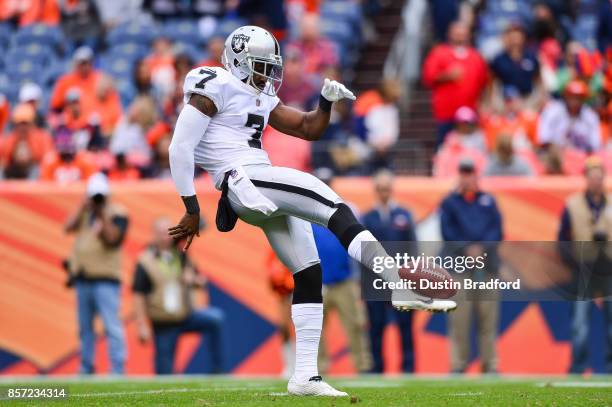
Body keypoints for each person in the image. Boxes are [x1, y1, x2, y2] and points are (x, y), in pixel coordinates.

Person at [166, 25, 456, 397]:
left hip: (257, 184)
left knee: (308, 271)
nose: (267, 74)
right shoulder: (214, 84)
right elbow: (179, 147)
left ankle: (304, 376)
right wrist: (190, 207)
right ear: (237, 60)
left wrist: (325, 103)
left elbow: (306, 128)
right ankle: (397, 283)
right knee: (333, 204)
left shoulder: (259, 93)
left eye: (271, 66)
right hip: (244, 179)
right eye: (259, 65)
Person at [133, 217, 226, 374]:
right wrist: (141, 325)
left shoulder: (181, 255)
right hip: (163, 321)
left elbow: (201, 281)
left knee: (215, 319)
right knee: (165, 372)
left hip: (185, 315)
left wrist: (194, 280)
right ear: (154, 235)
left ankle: (218, 372)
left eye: (170, 232)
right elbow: (139, 295)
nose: (167, 236)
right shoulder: (145, 260)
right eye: (163, 233)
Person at [440, 159, 503, 373]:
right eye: (463, 172)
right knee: (459, 320)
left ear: (476, 176)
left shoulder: (488, 201)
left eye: (470, 172)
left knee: (488, 320)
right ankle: (459, 364)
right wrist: (467, 248)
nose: (467, 177)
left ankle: (490, 363)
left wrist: (481, 248)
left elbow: (497, 230)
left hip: (486, 268)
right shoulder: (450, 203)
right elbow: (447, 233)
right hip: (460, 269)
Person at [64, 173, 129, 374]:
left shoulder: (117, 213)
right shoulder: (85, 213)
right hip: (83, 277)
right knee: (85, 329)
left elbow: (112, 240)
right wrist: (82, 207)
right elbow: (67, 228)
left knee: (112, 326)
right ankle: (86, 368)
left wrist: (101, 213)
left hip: (106, 279)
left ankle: (117, 369)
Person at [313, 169, 372, 374]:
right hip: (316, 280)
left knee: (355, 325)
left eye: (327, 181)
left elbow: (358, 244)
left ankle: (362, 366)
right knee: (314, 329)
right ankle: (318, 368)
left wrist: (358, 278)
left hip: (344, 280)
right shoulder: (304, 211)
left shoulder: (346, 208)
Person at [558, 158, 612, 373]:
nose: (596, 181)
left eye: (599, 177)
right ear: (586, 179)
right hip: (584, 269)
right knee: (579, 323)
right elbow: (562, 238)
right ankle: (578, 365)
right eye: (592, 177)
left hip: (609, 268)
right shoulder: (573, 204)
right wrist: (572, 261)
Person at [362, 169, 417, 373]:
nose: (384, 192)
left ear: (391, 189)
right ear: (375, 190)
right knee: (376, 328)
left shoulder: (403, 214)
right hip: (376, 282)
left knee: (405, 328)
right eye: (380, 188)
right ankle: (376, 369)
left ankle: (408, 369)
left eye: (386, 188)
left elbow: (413, 248)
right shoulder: (368, 217)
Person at [422, 21, 489, 147]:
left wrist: (483, 104)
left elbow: (484, 83)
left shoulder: (476, 56)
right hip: (446, 113)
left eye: (462, 34)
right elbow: (428, 77)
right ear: (449, 35)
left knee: (470, 149)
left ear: (468, 35)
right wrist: (447, 75)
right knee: (445, 147)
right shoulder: (439, 53)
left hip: (470, 113)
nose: (460, 36)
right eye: (457, 34)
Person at [538, 79, 601, 153]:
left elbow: (595, 145)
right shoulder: (553, 111)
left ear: (584, 98)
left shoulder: (590, 116)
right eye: (572, 96)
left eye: (579, 97)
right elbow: (544, 138)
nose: (575, 100)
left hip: (581, 156)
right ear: (566, 96)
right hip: (555, 155)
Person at [0, 104, 53, 179]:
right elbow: (3, 161)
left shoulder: (42, 137)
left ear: (32, 123)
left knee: (37, 170)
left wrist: (31, 156)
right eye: (20, 123)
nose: (22, 127)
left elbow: (48, 159)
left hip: (34, 172)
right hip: (13, 172)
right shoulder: (9, 139)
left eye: (25, 123)